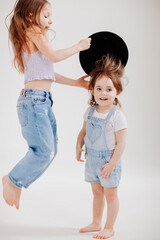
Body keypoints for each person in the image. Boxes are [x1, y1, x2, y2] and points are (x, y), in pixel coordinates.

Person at [2, 0, 91, 210]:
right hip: (34, 101)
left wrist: (76, 83)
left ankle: (16, 183)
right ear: (32, 16)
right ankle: (13, 180)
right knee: (44, 151)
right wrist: (78, 46)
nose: (50, 20)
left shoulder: (34, 35)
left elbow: (47, 74)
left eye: (51, 15)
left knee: (51, 151)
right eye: (46, 15)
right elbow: (54, 56)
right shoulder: (33, 31)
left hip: (41, 101)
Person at [76, 55, 127, 239]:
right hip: (91, 159)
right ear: (92, 90)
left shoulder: (117, 115)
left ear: (117, 92)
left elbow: (121, 143)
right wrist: (78, 146)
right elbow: (83, 132)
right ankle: (96, 222)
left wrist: (113, 163)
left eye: (108, 89)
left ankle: (109, 227)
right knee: (97, 192)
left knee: (110, 194)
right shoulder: (90, 111)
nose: (103, 93)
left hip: (108, 161)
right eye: (99, 89)